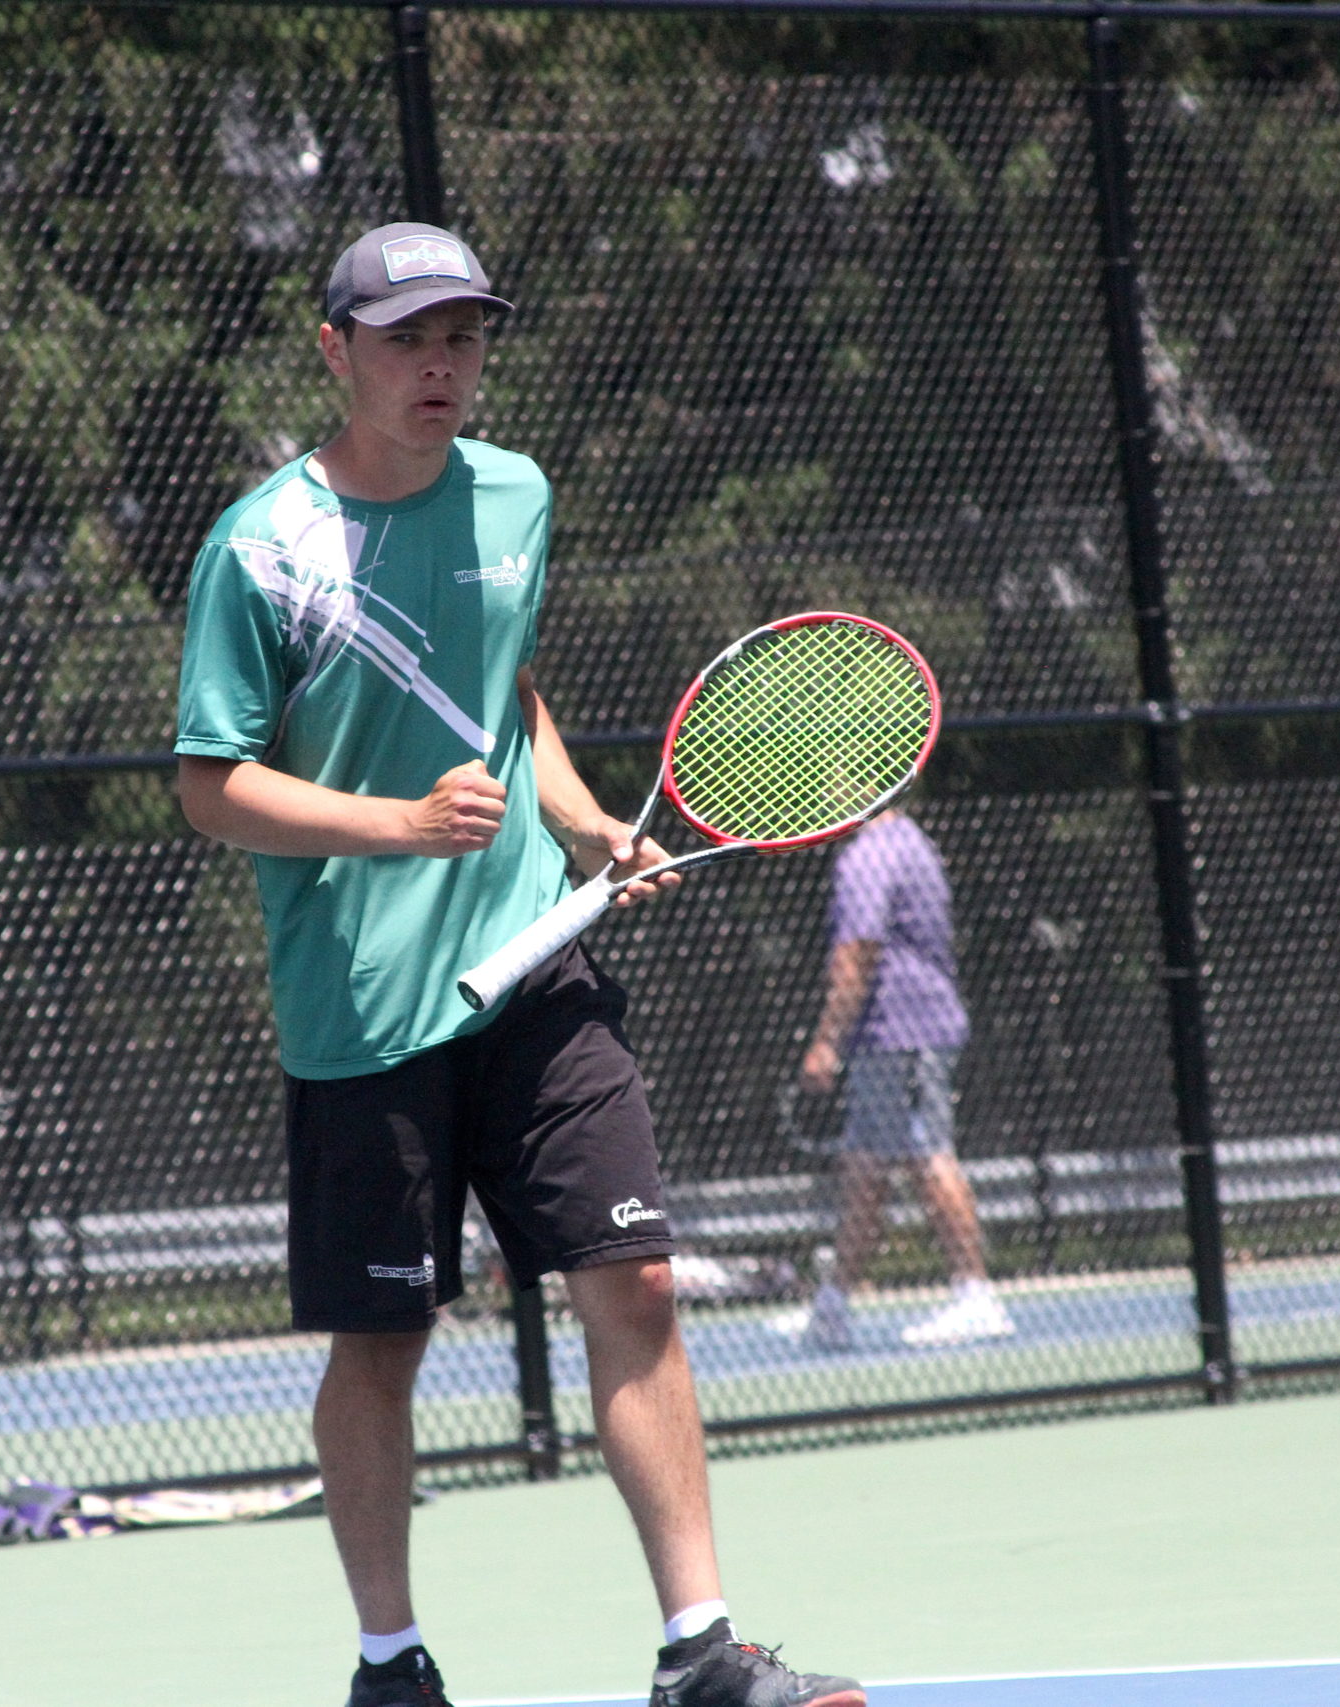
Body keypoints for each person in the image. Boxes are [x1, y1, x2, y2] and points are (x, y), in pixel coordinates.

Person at [173, 223, 866, 1707]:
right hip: (363, 1011)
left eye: (466, 337)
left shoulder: (517, 495)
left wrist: (589, 820)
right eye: (411, 336)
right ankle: (390, 1662)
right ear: (336, 352)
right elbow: (207, 782)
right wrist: (399, 825)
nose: (442, 363)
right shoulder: (260, 549)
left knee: (638, 1277)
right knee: (382, 1340)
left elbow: (506, 687)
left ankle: (702, 1652)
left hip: (538, 978)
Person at [792, 808, 1013, 1351]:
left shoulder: (868, 856)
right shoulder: (909, 839)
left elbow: (856, 955)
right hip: (889, 1038)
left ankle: (975, 1296)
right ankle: (833, 1307)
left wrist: (826, 1042)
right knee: (866, 1166)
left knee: (927, 1155)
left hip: (902, 1033)